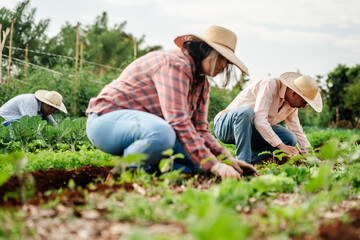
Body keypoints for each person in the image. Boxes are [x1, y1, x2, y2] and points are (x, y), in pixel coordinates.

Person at [86, 25, 258, 180]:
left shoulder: (202, 83)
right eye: (221, 58)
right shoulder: (176, 65)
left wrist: (227, 160)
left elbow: (200, 130)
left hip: (143, 129)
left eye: (227, 61)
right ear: (206, 51)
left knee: (191, 167)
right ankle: (123, 172)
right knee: (162, 134)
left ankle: (145, 176)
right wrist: (215, 165)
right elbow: (179, 122)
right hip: (106, 121)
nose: (223, 65)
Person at [213, 72, 323, 164]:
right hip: (225, 126)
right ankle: (243, 163)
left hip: (250, 131)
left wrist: (312, 158)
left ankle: (250, 159)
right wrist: (281, 146)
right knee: (247, 111)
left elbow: (297, 131)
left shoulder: (291, 105)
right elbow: (260, 120)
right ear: (294, 93)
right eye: (304, 102)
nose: (303, 106)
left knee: (290, 137)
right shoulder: (270, 84)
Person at [0, 90, 67, 126]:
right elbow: (31, 125)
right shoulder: (30, 102)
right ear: (48, 106)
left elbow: (53, 124)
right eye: (54, 110)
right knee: (22, 126)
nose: (53, 113)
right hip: (4, 123)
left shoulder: (42, 107)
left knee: (46, 120)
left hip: (15, 121)